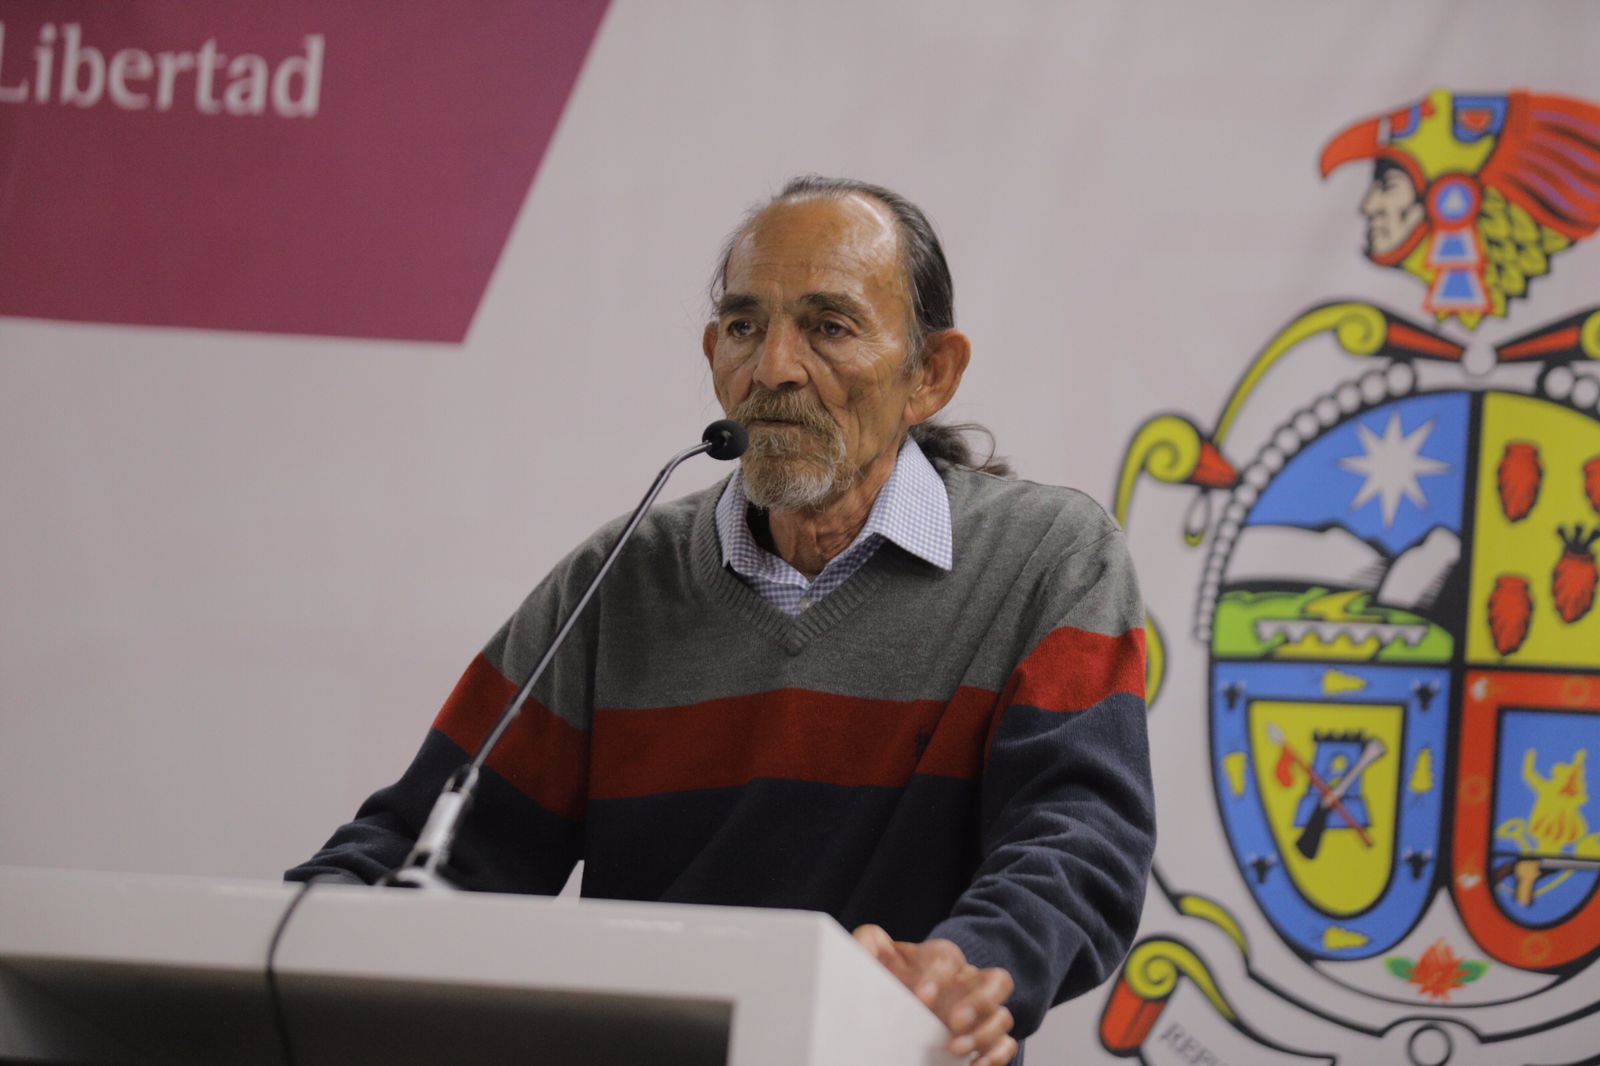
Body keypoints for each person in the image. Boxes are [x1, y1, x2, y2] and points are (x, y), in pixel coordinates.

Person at [289, 176, 1155, 1065]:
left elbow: (1081, 839)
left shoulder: (1045, 557)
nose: (774, 368)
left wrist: (969, 965)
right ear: (714, 354)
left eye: (829, 327)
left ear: (929, 374)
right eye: (744, 326)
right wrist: (286, 939)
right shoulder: (620, 578)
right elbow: (430, 849)